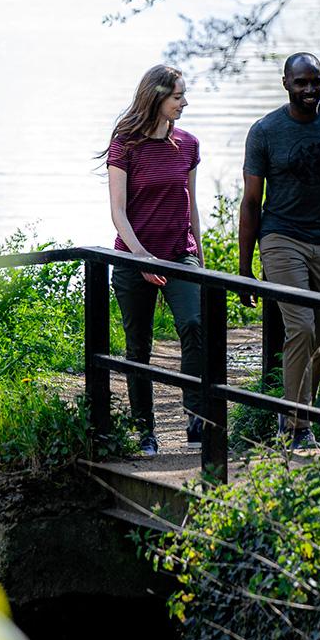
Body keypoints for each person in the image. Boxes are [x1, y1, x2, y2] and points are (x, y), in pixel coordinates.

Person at [238, 52, 320, 453]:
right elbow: (250, 202)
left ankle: (294, 411)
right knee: (301, 327)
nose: (310, 90)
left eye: (316, 82)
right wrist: (245, 267)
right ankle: (296, 426)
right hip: (280, 238)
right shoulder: (265, 132)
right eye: (301, 83)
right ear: (286, 84)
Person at [103, 65, 205, 457]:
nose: (184, 102)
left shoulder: (189, 144)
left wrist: (201, 258)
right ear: (157, 98)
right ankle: (145, 431)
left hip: (180, 254)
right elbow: (118, 212)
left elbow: (191, 205)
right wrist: (142, 256)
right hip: (133, 259)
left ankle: (197, 418)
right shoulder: (125, 144)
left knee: (195, 324)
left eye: (183, 95)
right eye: (178, 96)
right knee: (138, 347)